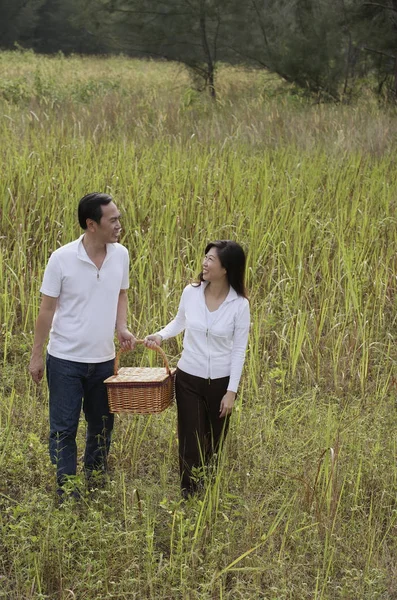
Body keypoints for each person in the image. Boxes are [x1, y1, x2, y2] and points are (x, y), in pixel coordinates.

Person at [29, 192, 136, 499]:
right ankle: (67, 491)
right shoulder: (61, 258)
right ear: (91, 224)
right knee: (63, 428)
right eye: (112, 220)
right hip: (64, 360)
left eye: (119, 218)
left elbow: (121, 294)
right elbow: (46, 310)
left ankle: (96, 482)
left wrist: (122, 327)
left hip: (104, 360)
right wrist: (37, 356)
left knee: (102, 426)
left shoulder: (122, 254)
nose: (118, 225)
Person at [145, 240, 250, 498]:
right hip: (189, 377)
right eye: (205, 258)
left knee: (214, 441)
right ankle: (189, 493)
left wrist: (231, 391)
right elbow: (179, 321)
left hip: (221, 382)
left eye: (211, 259)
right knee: (190, 439)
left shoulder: (239, 305)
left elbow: (239, 350)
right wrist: (160, 335)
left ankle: (209, 491)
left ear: (226, 268)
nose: (204, 263)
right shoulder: (191, 292)